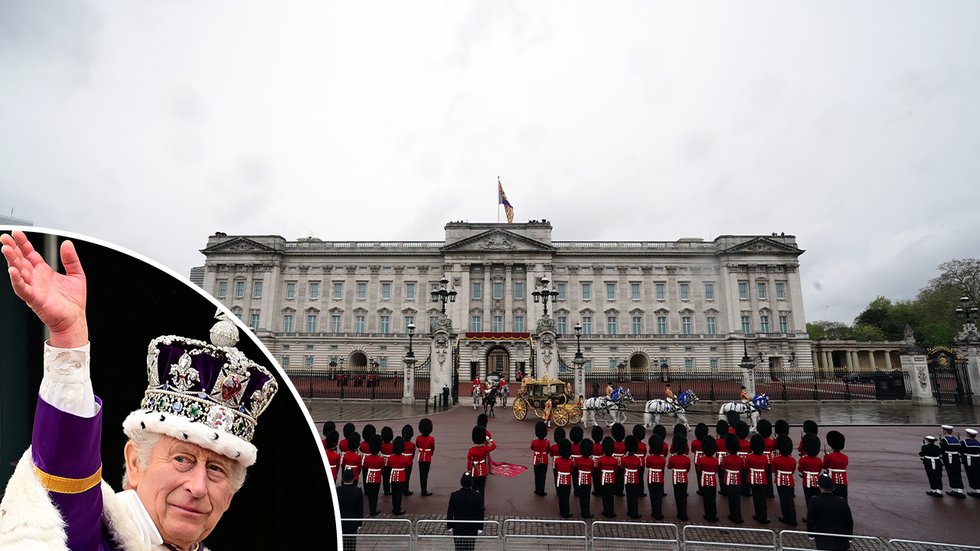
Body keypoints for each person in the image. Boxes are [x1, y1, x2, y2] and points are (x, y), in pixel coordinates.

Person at [0, 231, 279, 551]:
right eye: (182, 459)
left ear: (230, 496)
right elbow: (67, 473)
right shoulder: (95, 538)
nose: (198, 487)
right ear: (134, 462)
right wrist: (69, 338)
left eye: (216, 469)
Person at [806, 475, 853, 551]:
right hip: (841, 540)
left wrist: (811, 534)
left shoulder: (814, 501)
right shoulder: (841, 501)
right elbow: (848, 520)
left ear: (820, 487)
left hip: (823, 539)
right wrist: (849, 536)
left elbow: (811, 519)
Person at [446, 472, 485, 551]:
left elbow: (450, 512)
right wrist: (480, 527)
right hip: (472, 528)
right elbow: (480, 513)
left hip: (458, 528)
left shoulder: (454, 495)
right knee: (470, 548)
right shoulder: (477, 496)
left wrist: (449, 526)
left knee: (458, 548)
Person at [772, 434, 798, 526]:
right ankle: (793, 519)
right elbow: (793, 470)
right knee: (790, 500)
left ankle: (786, 518)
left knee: (783, 500)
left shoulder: (776, 459)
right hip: (790, 480)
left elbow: (773, 470)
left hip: (780, 480)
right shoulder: (793, 460)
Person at [336, 467, 364, 551]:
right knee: (351, 545)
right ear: (353, 479)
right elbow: (359, 508)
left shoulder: (337, 490)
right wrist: (359, 523)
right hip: (352, 522)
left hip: (340, 521)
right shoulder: (357, 491)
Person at [746, 434, 770, 523]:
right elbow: (766, 468)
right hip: (763, 479)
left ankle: (758, 514)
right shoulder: (764, 458)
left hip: (752, 478)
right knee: (763, 498)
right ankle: (763, 516)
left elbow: (746, 466)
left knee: (756, 497)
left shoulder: (749, 457)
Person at [721, 433, 745, 523]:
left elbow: (723, 467)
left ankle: (732, 514)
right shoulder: (740, 458)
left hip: (728, 479)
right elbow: (741, 469)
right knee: (737, 498)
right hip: (737, 479)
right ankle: (738, 515)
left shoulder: (726, 458)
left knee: (731, 498)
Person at [668, 434, 691, 521]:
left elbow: (669, 466)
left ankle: (679, 512)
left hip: (675, 478)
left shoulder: (672, 458)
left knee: (677, 495)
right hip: (684, 478)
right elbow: (688, 469)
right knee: (683, 495)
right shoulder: (687, 458)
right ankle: (684, 513)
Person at [697, 435, 720, 522]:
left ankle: (707, 514)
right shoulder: (715, 460)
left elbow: (699, 468)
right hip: (713, 481)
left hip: (704, 480)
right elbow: (716, 470)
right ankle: (713, 514)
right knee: (712, 498)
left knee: (706, 498)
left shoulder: (702, 459)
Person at [467, 426, 496, 494]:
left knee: (474, 490)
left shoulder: (471, 450)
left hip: (474, 472)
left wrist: (469, 471)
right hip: (483, 471)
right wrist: (488, 437)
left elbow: (469, 463)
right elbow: (493, 446)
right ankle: (481, 504)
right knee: (482, 490)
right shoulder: (484, 449)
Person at [940, 425, 966, 498]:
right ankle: (959, 490)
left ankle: (954, 489)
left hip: (948, 458)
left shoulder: (944, 440)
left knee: (951, 473)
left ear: (945, 431)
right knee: (957, 473)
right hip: (956, 458)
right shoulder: (957, 440)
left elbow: (942, 450)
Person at [799, 433, 823, 514]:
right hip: (817, 481)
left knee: (809, 499)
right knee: (818, 498)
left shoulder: (803, 460)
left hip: (807, 481)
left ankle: (810, 515)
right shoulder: (819, 460)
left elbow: (800, 469)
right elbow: (819, 471)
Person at [823, 431, 849, 502]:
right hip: (843, 481)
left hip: (832, 481)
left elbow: (824, 466)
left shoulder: (829, 456)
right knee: (843, 499)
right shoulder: (845, 457)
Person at [646, 434, 667, 520]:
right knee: (658, 496)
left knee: (652, 495)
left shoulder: (649, 458)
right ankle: (658, 512)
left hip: (651, 477)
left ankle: (654, 512)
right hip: (659, 478)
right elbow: (662, 467)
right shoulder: (663, 459)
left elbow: (647, 466)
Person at [363, 435, 385, 516]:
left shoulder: (367, 458)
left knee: (370, 494)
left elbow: (365, 467)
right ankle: (373, 510)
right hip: (377, 477)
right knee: (375, 494)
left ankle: (371, 508)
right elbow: (382, 469)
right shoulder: (380, 459)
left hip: (369, 476)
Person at [622, 436, 643, 519]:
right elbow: (639, 469)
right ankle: (634, 512)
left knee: (628, 494)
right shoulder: (637, 459)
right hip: (635, 478)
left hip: (627, 478)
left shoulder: (625, 459)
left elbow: (622, 467)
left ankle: (630, 510)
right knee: (634, 495)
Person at [597, 437, 619, 518]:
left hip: (603, 479)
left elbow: (598, 468)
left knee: (604, 495)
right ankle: (611, 511)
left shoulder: (601, 459)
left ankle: (605, 510)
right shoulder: (614, 460)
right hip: (612, 479)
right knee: (611, 495)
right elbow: (615, 470)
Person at [574, 439, 596, 518]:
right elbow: (592, 471)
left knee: (581, 496)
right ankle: (586, 512)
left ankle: (582, 510)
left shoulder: (578, 460)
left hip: (580, 479)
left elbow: (576, 468)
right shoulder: (591, 461)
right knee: (587, 496)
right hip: (588, 480)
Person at [554, 440, 575, 518]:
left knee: (561, 496)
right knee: (566, 496)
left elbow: (556, 468)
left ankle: (561, 511)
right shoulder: (571, 462)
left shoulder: (557, 460)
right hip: (567, 480)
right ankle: (566, 512)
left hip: (559, 480)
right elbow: (571, 471)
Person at [416, 418, 436, 496]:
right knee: (425, 474)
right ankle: (424, 490)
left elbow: (417, 445)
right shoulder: (431, 439)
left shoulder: (418, 438)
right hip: (427, 457)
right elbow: (432, 448)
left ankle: (423, 489)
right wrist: (431, 454)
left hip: (420, 457)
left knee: (421, 474)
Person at [530, 421, 551, 496]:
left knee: (537, 475)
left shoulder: (534, 441)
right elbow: (548, 450)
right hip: (544, 460)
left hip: (536, 460)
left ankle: (537, 489)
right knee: (543, 475)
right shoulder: (547, 442)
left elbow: (532, 448)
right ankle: (542, 490)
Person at [961, 428, 980, 496]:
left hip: (969, 460)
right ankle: (977, 490)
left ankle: (974, 489)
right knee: (977, 474)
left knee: (971, 474)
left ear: (968, 435)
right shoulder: (978, 443)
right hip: (977, 460)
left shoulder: (964, 442)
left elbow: (961, 451)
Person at [401, 425, 416, 495]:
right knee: (407, 476)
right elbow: (413, 454)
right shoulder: (412, 445)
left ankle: (402, 488)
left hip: (401, 460)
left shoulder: (402, 443)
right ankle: (406, 489)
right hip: (409, 461)